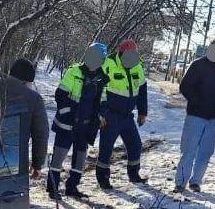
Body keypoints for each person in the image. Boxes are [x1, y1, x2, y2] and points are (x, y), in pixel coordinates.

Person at [46, 42, 108, 199]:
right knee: (59, 157)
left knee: (80, 159)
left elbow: (103, 102)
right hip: (67, 124)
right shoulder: (74, 72)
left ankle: (72, 187)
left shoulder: (103, 79)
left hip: (86, 126)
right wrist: (67, 114)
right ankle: (53, 188)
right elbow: (61, 95)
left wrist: (100, 116)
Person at [174, 36, 215, 194]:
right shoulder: (198, 65)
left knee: (205, 152)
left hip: (212, 118)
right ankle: (180, 182)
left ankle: (196, 182)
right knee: (189, 150)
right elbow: (185, 87)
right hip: (195, 116)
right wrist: (197, 101)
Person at [96, 39, 148, 189]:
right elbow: (98, 90)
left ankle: (134, 174)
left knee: (135, 145)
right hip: (110, 115)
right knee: (106, 149)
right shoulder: (109, 64)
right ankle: (103, 178)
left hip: (127, 116)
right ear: (121, 53)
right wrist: (101, 113)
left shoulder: (138, 66)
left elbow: (142, 90)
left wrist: (143, 112)